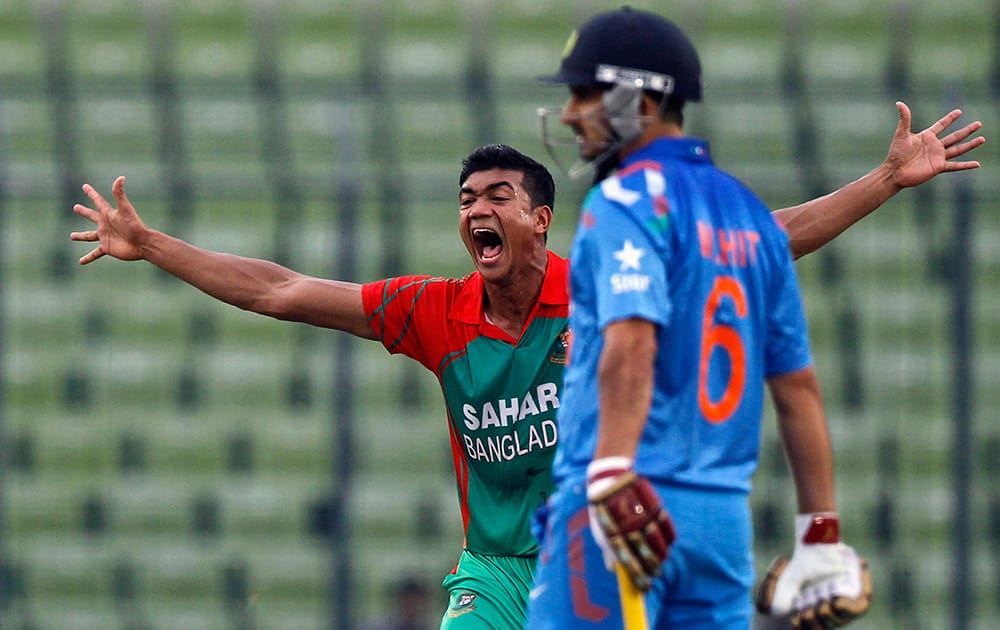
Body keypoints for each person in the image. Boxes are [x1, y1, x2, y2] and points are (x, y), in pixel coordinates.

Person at [70, 113, 980, 629]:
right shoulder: (434, 310)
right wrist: (153, 245)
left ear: (540, 219)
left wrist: (885, 180)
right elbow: (280, 289)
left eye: (497, 196)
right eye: (466, 201)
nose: (476, 211)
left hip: (603, 556)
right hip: (498, 572)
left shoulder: (601, 284)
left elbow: (759, 240)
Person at [523, 6, 984, 630]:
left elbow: (630, 342)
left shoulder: (624, 200)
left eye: (586, 92)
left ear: (640, 98)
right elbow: (798, 390)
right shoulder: (741, 213)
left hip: (626, 504)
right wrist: (820, 536)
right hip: (719, 524)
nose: (574, 112)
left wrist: (610, 475)